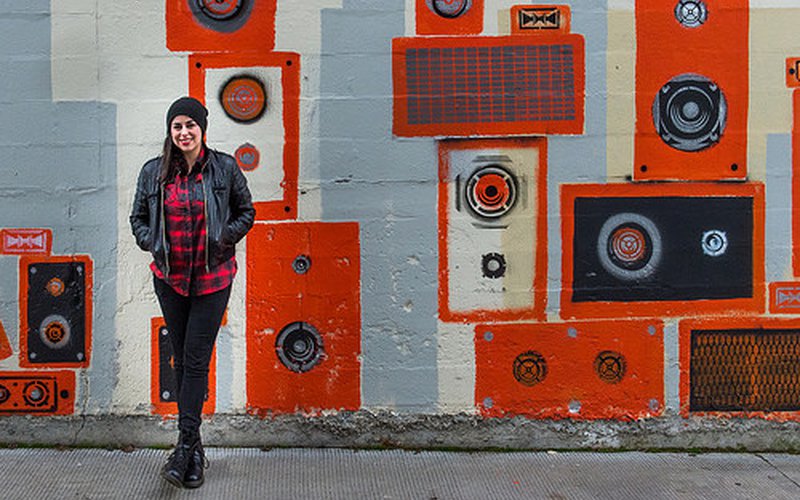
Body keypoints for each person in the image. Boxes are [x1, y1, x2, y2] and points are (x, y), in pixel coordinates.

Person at [129, 96, 255, 489]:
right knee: (181, 360)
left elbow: (246, 212)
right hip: (170, 279)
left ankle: (183, 448)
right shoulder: (153, 173)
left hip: (213, 280)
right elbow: (138, 218)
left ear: (202, 128)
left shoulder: (225, 168)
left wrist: (223, 237)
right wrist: (153, 243)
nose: (184, 133)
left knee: (196, 360)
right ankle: (194, 450)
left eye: (190, 125)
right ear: (170, 131)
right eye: (177, 126)